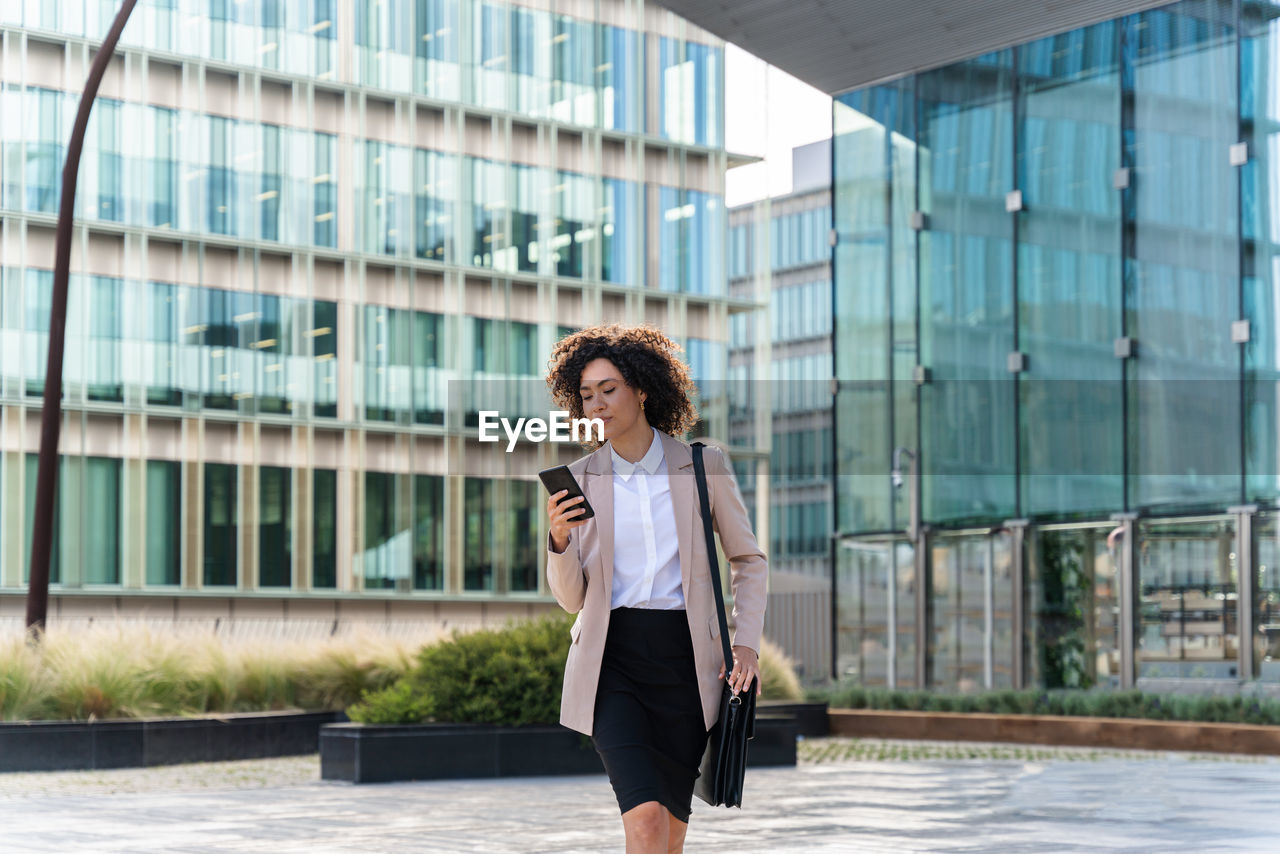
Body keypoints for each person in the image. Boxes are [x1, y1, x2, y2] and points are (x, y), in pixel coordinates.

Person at [543, 323, 768, 854]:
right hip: (611, 662)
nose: (597, 403)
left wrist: (747, 645)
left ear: (643, 389)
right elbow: (570, 599)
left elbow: (748, 560)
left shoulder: (700, 465)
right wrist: (558, 542)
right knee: (643, 820)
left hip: (688, 665)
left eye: (610, 388)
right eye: (586, 394)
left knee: (669, 833)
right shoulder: (577, 478)